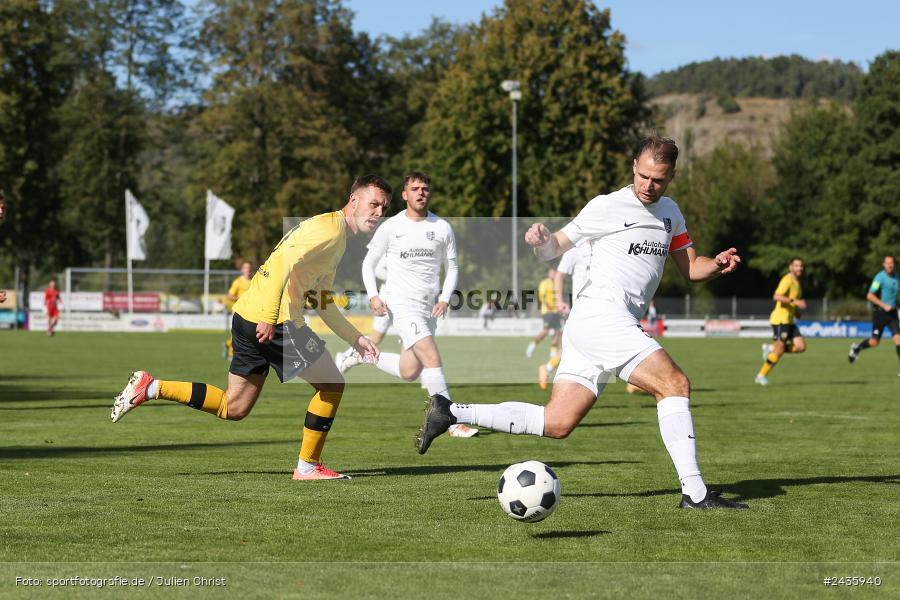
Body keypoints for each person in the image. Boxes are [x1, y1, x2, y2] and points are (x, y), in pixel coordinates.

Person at [416, 136, 748, 509]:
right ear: (633, 166)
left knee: (558, 422)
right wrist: (540, 240)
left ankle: (450, 411)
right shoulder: (607, 206)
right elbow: (555, 247)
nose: (648, 185)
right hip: (601, 316)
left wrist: (717, 266)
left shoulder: (670, 213)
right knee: (674, 383)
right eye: (642, 176)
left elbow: (691, 267)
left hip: (596, 325)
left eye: (658, 179)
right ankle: (695, 492)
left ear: (671, 176)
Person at [111, 174, 391, 481]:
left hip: (246, 314)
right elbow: (282, 262)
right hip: (276, 320)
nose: (378, 212)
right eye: (373, 204)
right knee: (332, 386)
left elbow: (321, 300)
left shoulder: (334, 237)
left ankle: (151, 386)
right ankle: (308, 467)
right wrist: (270, 317)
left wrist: (355, 337)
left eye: (384, 207)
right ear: (354, 200)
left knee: (234, 406)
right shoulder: (329, 229)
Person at [335, 172, 477, 438]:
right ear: (405, 194)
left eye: (425, 188)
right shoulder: (391, 227)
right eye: (415, 188)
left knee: (410, 371)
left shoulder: (442, 227)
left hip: (428, 307)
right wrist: (375, 295)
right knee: (432, 356)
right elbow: (368, 263)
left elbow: (453, 266)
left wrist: (445, 297)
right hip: (402, 305)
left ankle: (362, 356)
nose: (421, 192)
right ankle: (452, 421)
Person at [538, 243, 591, 389]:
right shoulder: (575, 248)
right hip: (581, 309)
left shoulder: (604, 245)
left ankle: (548, 368)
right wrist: (559, 300)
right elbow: (559, 275)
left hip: (600, 307)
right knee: (573, 346)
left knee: (574, 346)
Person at [755, 257, 806, 386]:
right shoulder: (787, 280)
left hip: (789, 319)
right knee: (779, 351)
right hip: (780, 320)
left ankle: (770, 348)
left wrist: (796, 312)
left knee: (800, 347)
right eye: (796, 265)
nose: (799, 268)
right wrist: (795, 302)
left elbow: (790, 302)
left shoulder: (798, 283)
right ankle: (760, 376)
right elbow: (776, 296)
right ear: (791, 267)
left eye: (801, 266)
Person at [848, 255, 900, 375]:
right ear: (883, 264)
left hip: (892, 314)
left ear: (894, 264)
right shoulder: (879, 278)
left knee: (899, 340)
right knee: (874, 342)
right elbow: (870, 295)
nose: (889, 265)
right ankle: (857, 347)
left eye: (891, 263)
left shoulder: (897, 277)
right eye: (887, 263)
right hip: (880, 313)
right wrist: (884, 305)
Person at [526, 267, 562, 360]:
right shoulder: (544, 283)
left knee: (558, 332)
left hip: (556, 312)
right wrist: (548, 307)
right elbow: (542, 297)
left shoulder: (557, 284)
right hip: (547, 311)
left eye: (555, 273)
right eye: (552, 273)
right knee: (546, 331)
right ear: (549, 274)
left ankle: (553, 354)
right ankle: (532, 345)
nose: (553, 275)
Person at [224, 260, 253, 358]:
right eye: (246, 268)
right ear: (242, 270)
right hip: (238, 311)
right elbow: (229, 296)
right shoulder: (238, 282)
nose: (248, 270)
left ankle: (228, 344)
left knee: (247, 334)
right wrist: (240, 298)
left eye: (249, 268)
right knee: (236, 333)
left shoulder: (254, 281)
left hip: (250, 312)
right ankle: (231, 354)